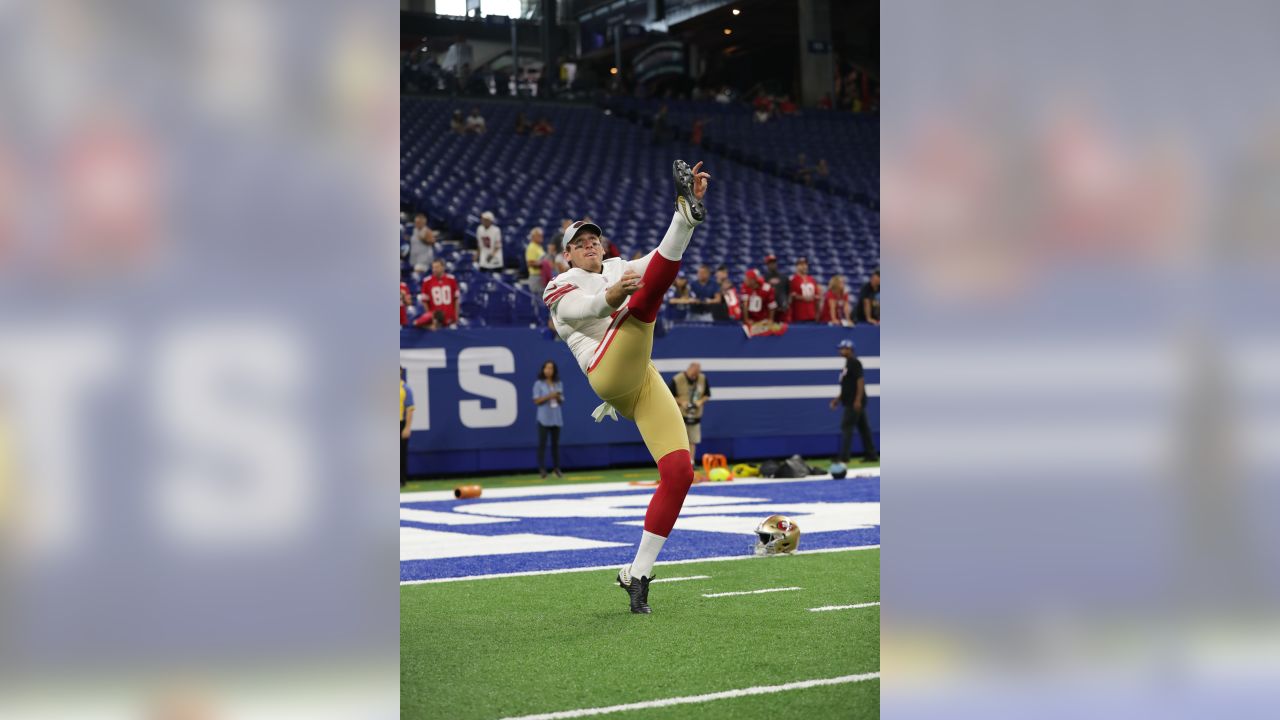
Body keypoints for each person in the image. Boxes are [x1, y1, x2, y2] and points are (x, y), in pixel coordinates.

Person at [543, 159, 710, 614]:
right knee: (642, 304)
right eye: (579, 242)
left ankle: (638, 572)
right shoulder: (561, 285)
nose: (589, 244)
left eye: (592, 237)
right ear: (568, 256)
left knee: (679, 472)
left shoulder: (617, 266)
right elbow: (583, 311)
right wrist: (613, 296)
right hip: (609, 373)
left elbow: (659, 258)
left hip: (642, 375)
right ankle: (685, 212)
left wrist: (682, 227)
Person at [829, 339, 878, 463]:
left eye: (842, 348)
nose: (840, 350)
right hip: (851, 400)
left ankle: (844, 457)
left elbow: (860, 381)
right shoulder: (847, 364)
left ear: (849, 349)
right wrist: (837, 399)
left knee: (846, 427)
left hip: (853, 402)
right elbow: (847, 386)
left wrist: (857, 400)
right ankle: (871, 455)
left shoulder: (855, 363)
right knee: (864, 428)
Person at [669, 362, 711, 466]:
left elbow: (707, 395)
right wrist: (682, 402)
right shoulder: (677, 379)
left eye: (697, 374)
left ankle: (690, 462)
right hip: (680, 415)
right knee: (680, 441)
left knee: (693, 440)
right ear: (689, 369)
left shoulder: (702, 378)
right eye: (693, 374)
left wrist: (700, 402)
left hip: (695, 414)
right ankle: (679, 463)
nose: (694, 377)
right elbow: (669, 396)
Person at [532, 360, 565, 479]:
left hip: (556, 418)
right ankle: (542, 470)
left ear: (554, 370)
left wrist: (558, 397)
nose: (548, 370)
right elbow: (536, 401)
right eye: (546, 368)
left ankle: (557, 469)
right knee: (542, 444)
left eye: (551, 368)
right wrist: (549, 396)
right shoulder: (538, 384)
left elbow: (561, 400)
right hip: (543, 419)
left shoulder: (558, 383)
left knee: (555, 445)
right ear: (543, 370)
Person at [420, 259, 460, 327]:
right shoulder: (427, 281)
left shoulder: (451, 279)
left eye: (437, 267)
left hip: (450, 317)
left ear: (443, 267)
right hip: (436, 319)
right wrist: (429, 317)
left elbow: (456, 299)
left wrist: (456, 315)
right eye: (433, 267)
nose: (434, 270)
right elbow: (425, 302)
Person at [740, 268, 777, 335]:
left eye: (747, 278)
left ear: (753, 280)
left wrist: (770, 320)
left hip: (763, 320)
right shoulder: (745, 287)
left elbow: (771, 306)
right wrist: (746, 320)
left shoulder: (767, 288)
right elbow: (745, 305)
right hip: (751, 320)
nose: (745, 280)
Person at [788, 256, 821, 323]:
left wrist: (817, 313)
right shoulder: (793, 280)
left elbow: (817, 297)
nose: (804, 266)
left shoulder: (812, 279)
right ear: (797, 266)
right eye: (801, 264)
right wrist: (804, 298)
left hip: (812, 315)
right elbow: (791, 297)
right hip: (798, 316)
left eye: (805, 264)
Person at [400, 367, 415, 488]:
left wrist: (407, 427)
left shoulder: (405, 389)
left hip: (400, 422)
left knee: (400, 453)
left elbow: (410, 409)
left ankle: (401, 480)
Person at [762, 254, 787, 321]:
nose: (772, 264)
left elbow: (788, 292)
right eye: (770, 263)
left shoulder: (784, 277)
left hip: (781, 310)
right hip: (768, 311)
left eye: (774, 262)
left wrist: (786, 303)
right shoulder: (763, 278)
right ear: (767, 264)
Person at [525, 227, 547, 295]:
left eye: (541, 235)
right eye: (539, 235)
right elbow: (530, 263)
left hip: (541, 276)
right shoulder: (531, 247)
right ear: (533, 237)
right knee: (537, 301)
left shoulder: (539, 246)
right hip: (536, 277)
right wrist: (543, 264)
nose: (541, 237)